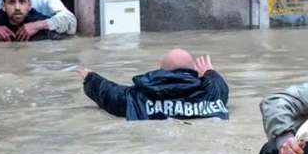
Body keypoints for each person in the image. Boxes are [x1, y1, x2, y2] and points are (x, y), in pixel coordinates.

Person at [80, 48, 230, 120]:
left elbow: (111, 95)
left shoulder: (138, 96)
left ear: (161, 72)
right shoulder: (210, 94)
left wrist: (91, 79)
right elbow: (221, 90)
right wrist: (211, 73)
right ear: (195, 73)